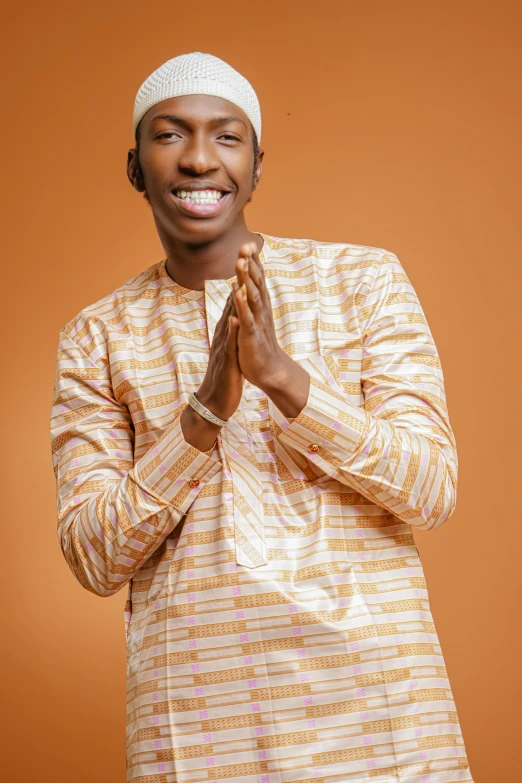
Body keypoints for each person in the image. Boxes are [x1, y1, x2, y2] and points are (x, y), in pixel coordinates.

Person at [50, 52, 474, 783]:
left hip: (379, 708)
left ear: (256, 165)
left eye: (227, 136)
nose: (198, 159)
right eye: (169, 134)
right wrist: (203, 414)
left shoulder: (362, 280)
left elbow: (431, 488)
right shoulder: (98, 335)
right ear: (134, 165)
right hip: (198, 721)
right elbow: (93, 555)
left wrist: (285, 380)